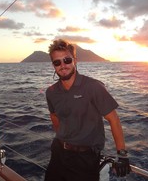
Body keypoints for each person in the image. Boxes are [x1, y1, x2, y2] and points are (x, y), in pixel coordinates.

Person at [44, 39, 131, 181]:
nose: (63, 65)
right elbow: (54, 117)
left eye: (67, 60)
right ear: (53, 65)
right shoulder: (51, 92)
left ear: (75, 60)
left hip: (85, 158)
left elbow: (113, 119)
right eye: (57, 62)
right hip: (58, 153)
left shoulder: (93, 87)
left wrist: (122, 154)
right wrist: (65, 138)